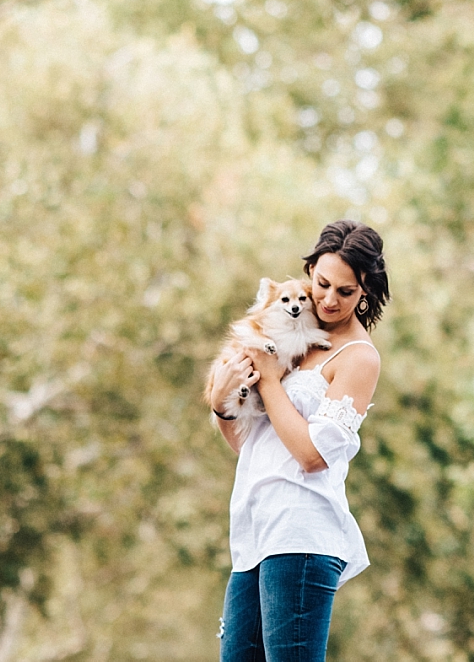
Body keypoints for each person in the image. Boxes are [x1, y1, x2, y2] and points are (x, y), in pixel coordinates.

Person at [205, 220, 389, 662]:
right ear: (309, 271)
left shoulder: (358, 357)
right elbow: (255, 445)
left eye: (345, 292)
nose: (328, 299)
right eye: (322, 284)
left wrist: (268, 380)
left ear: (365, 293)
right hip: (255, 531)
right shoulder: (293, 336)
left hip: (301, 534)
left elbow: (310, 455)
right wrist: (220, 403)